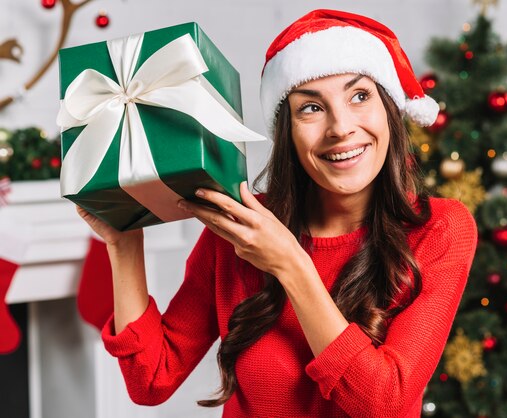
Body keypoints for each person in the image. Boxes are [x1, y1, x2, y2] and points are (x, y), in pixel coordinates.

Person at [78, 9, 478, 418]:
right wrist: (123, 242)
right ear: (287, 132)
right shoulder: (240, 228)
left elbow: (383, 403)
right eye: (311, 108)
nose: (340, 127)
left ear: (390, 110)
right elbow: (151, 381)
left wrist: (290, 264)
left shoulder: (440, 229)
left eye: (359, 96)